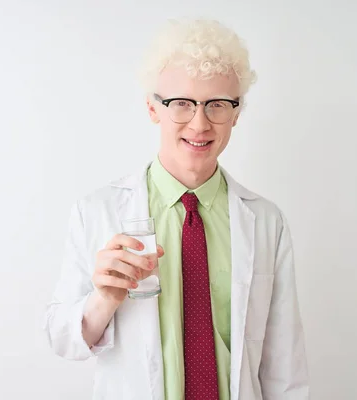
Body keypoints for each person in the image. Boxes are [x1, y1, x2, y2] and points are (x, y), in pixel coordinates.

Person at [44, 18, 309, 400]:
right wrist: (103, 297)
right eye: (181, 104)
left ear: (236, 113)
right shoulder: (97, 211)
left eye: (217, 104)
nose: (199, 124)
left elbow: (285, 365)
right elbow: (63, 340)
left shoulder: (266, 222)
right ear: (153, 109)